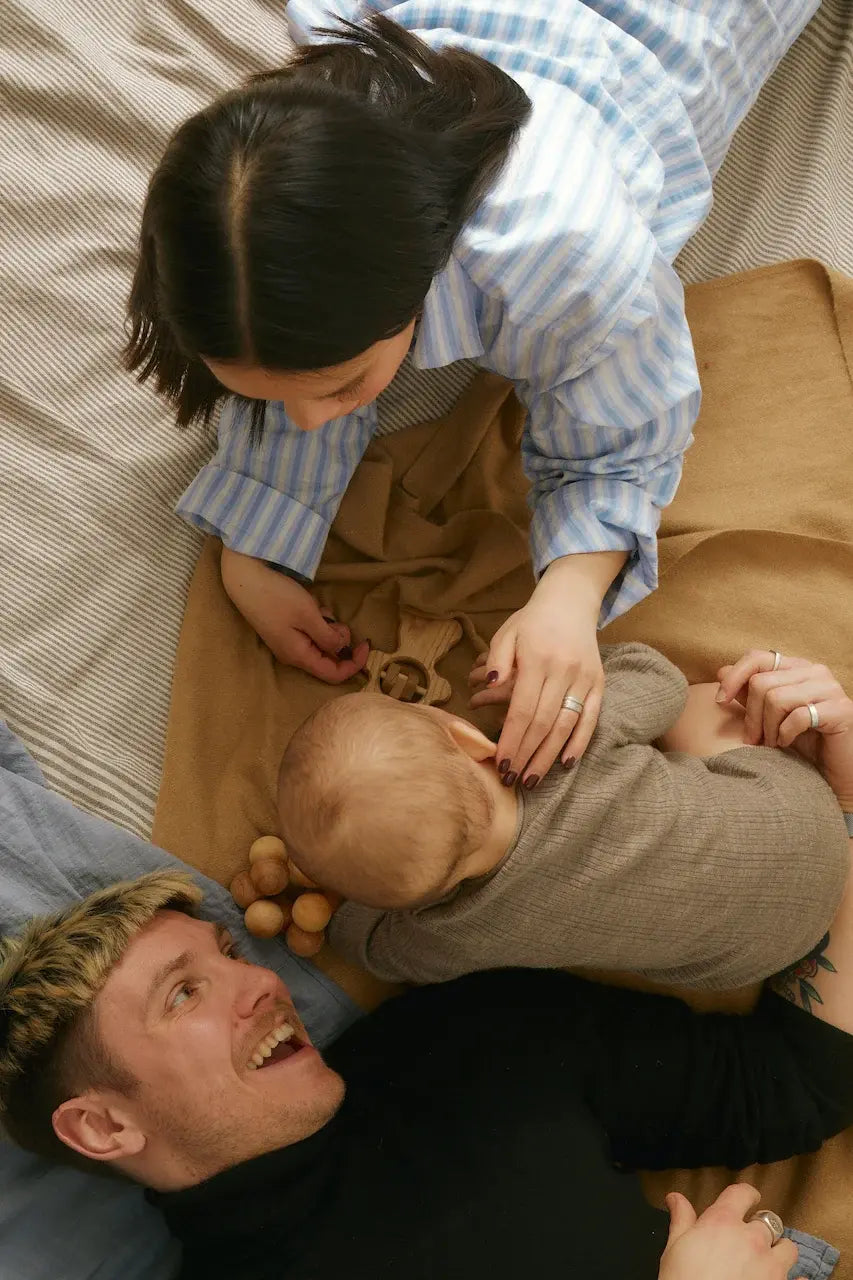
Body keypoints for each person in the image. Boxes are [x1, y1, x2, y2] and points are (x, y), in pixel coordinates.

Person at [123, 0, 819, 789]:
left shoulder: (569, 259)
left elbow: (625, 443)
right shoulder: (272, 166)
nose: (308, 421)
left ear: (417, 279)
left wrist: (568, 595)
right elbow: (290, 345)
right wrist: (259, 535)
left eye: (348, 385)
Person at [5, 861, 853, 1280]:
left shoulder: (465, 1038)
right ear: (104, 1124)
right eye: (184, 994)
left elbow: (790, 1081)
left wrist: (847, 807)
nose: (261, 982)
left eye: (228, 953)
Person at [276, 645, 852, 987]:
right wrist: (553, 691)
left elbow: (364, 945)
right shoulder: (575, 743)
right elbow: (659, 681)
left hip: (756, 958)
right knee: (712, 701)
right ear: (468, 737)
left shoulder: (443, 936)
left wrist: (343, 884)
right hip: (804, 823)